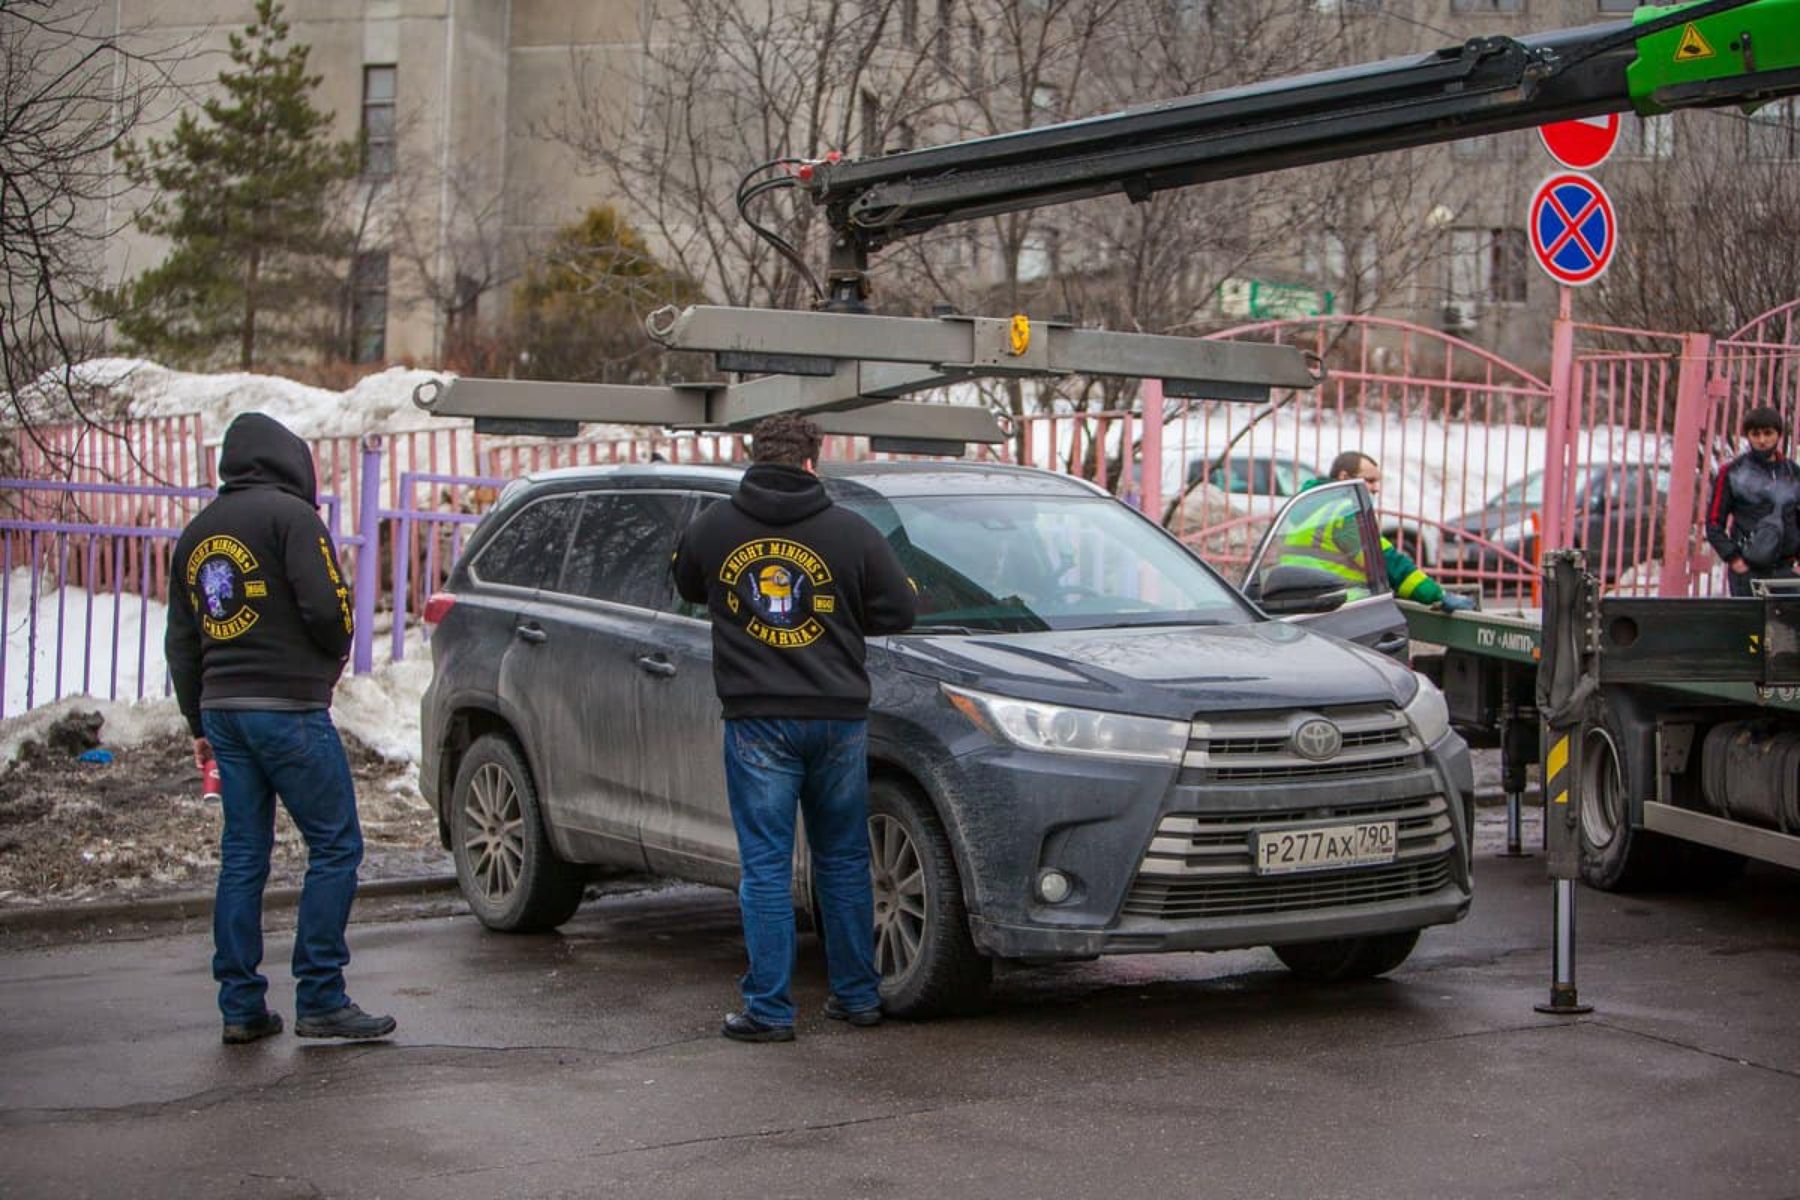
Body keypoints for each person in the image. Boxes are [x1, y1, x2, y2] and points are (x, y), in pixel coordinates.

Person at [671, 413, 917, 1043]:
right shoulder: (851, 532)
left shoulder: (715, 526)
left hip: (757, 722)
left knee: (766, 868)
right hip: (837, 721)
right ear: (814, 461)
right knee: (842, 860)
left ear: (756, 457)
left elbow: (687, 583)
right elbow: (900, 609)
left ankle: (770, 1010)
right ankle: (857, 996)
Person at [166, 412, 396, 1045]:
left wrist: (197, 721)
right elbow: (330, 605)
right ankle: (321, 995)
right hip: (288, 710)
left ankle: (240, 1005)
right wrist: (328, 662)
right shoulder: (293, 519)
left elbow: (181, 641)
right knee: (336, 846)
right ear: (291, 462)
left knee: (243, 858)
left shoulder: (197, 534)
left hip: (224, 713)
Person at [1290, 451, 1476, 611]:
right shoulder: (1343, 511)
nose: (1376, 489)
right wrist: (1437, 594)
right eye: (1369, 481)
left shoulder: (1304, 506)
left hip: (1297, 601)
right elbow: (1385, 562)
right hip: (1340, 609)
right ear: (1344, 478)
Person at [1705, 405, 1800, 597]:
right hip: (1749, 572)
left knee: (1787, 627)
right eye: (1755, 434)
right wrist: (1734, 559)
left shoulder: (1794, 473)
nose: (1762, 440)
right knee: (1751, 628)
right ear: (1748, 436)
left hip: (1788, 570)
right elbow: (1714, 522)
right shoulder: (1731, 473)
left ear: (1778, 435)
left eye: (1768, 433)